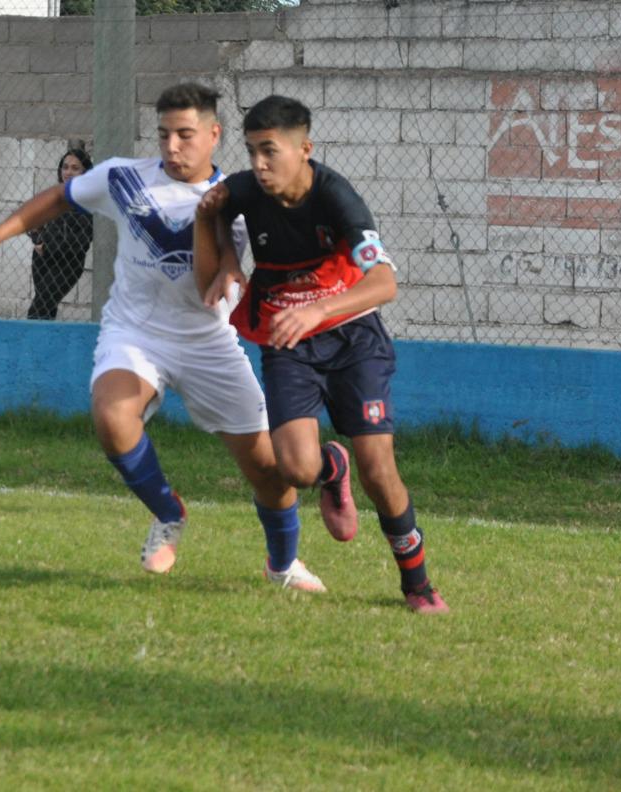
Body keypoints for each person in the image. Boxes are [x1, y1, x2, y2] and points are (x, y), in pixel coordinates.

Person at [0, 83, 326, 592]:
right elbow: (60, 198)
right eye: (163, 135)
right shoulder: (124, 178)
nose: (172, 147)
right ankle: (168, 512)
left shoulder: (240, 197)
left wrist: (241, 273)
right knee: (112, 417)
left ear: (214, 135)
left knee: (268, 468)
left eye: (185, 135)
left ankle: (283, 565)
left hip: (208, 341)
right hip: (136, 332)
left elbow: (251, 251)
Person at [193, 94, 450, 614]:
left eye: (271, 152)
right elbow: (214, 207)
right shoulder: (243, 189)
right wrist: (227, 259)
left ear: (304, 148)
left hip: (354, 339)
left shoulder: (339, 198)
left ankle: (417, 585)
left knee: (380, 471)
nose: (259, 166)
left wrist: (319, 310)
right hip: (288, 342)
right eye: (251, 153)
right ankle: (333, 467)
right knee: (297, 469)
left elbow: (383, 283)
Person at [27, 148, 95, 320]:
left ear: (85, 172)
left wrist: (47, 245)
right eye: (65, 167)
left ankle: (30, 344)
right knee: (45, 307)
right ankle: (43, 344)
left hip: (67, 264)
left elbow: (82, 241)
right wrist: (38, 239)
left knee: (38, 309)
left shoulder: (86, 200)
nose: (68, 172)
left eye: (75, 168)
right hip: (42, 260)